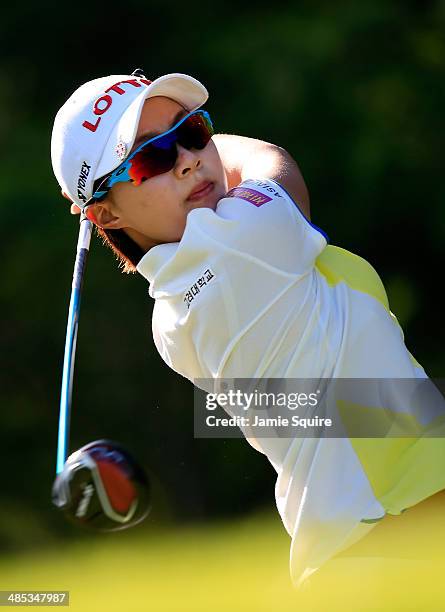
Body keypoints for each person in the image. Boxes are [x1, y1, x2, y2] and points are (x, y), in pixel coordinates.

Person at [51, 69, 445, 590]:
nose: (189, 158)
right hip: (397, 522)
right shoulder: (239, 245)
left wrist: (171, 152)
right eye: (151, 156)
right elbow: (272, 164)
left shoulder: (168, 318)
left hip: (363, 542)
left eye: (192, 132)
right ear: (105, 213)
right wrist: (208, 140)